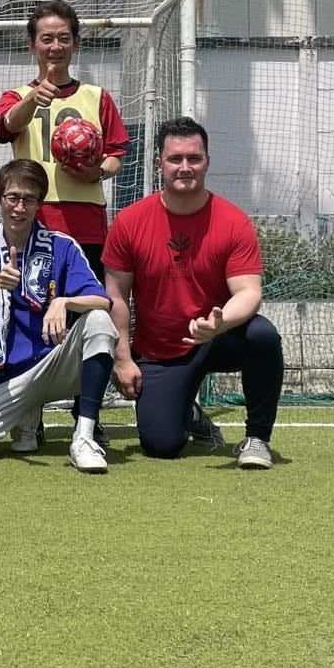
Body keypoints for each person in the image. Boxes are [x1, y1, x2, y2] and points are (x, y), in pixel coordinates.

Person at [103, 117, 283, 468]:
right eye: (175, 159)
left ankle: (257, 438)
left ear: (207, 161)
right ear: (159, 163)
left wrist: (221, 323)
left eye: (194, 158)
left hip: (217, 337)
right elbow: (117, 298)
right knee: (162, 445)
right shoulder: (129, 221)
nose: (185, 167)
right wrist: (122, 358)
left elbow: (248, 291)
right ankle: (189, 410)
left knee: (262, 335)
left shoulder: (233, 221)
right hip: (160, 350)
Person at [0, 0, 131, 450]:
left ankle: (86, 415)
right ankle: (27, 415)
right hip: (32, 223)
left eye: (63, 37)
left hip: (84, 221)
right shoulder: (17, 95)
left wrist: (98, 171)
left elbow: (115, 153)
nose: (55, 46)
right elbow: (7, 127)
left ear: (75, 42)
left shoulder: (97, 97)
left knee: (89, 314)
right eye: (46, 38)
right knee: (28, 318)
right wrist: (37, 96)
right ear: (33, 44)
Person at [0, 161, 118, 472]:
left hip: (53, 365)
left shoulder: (62, 246)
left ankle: (84, 437)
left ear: (39, 203)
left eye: (29, 199)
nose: (19, 207)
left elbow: (103, 301)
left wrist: (64, 302)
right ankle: (27, 414)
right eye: (12, 197)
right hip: (5, 378)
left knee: (98, 321)